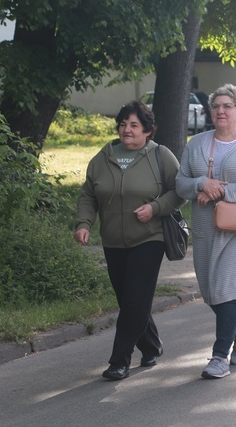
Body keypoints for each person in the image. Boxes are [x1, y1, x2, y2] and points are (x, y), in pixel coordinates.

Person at [74, 100, 186, 381]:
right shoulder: (104, 157)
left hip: (150, 237)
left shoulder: (161, 156)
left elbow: (180, 191)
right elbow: (88, 195)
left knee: (136, 298)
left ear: (147, 130)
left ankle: (119, 361)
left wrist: (155, 208)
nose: (127, 129)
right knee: (129, 300)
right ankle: (151, 346)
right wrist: (84, 223)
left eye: (134, 125)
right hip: (113, 240)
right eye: (123, 124)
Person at [176, 84, 236, 379]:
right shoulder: (196, 143)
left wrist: (218, 191)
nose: (221, 111)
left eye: (228, 106)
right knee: (211, 292)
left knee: (226, 287)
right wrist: (201, 183)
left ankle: (220, 357)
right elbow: (180, 183)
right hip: (206, 225)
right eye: (216, 106)